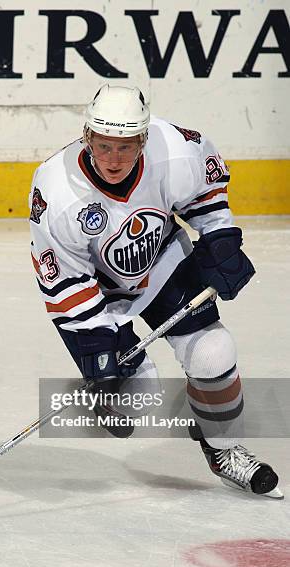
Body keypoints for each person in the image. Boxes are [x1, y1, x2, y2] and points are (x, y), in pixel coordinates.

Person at [29, 84, 282, 499]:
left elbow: (207, 192)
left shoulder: (177, 149)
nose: (114, 159)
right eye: (104, 145)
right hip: (97, 291)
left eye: (126, 147)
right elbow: (65, 282)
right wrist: (98, 341)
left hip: (162, 261)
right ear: (87, 136)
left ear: (143, 140)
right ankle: (111, 396)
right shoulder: (57, 190)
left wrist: (218, 240)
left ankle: (223, 449)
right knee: (137, 399)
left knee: (214, 351)